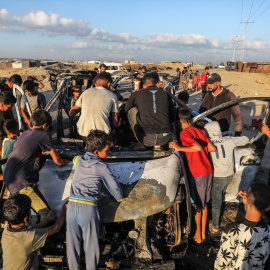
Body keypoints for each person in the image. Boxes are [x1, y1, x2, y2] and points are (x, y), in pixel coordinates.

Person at [66, 130, 123, 270]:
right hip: (88, 209)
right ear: (97, 152)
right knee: (91, 248)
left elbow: (74, 160)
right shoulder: (102, 167)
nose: (109, 152)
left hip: (72, 207)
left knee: (72, 246)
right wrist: (120, 198)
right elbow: (114, 188)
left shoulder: (79, 160)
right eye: (107, 150)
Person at [4, 110, 68, 221]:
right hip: (22, 185)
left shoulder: (25, 133)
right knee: (46, 214)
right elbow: (57, 161)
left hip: (9, 180)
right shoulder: (44, 135)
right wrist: (65, 162)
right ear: (45, 125)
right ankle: (44, 235)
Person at [169, 109, 216, 244]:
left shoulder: (184, 133)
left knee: (196, 205)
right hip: (207, 170)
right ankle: (202, 234)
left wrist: (179, 147)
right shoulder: (200, 131)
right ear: (190, 120)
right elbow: (212, 148)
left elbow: (197, 148)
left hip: (197, 173)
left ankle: (198, 235)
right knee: (204, 203)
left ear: (179, 122)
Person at [204, 121, 249, 233]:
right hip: (229, 175)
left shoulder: (207, 143)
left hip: (217, 177)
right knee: (221, 194)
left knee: (216, 202)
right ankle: (220, 210)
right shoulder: (228, 140)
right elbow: (246, 139)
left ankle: (215, 225)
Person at [2, 194, 67, 270]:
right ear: (26, 218)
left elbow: (30, 231)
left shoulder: (7, 229)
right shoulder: (29, 237)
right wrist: (64, 209)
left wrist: (47, 219)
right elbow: (55, 228)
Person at [214, 182, 270, 270]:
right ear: (268, 207)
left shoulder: (231, 231)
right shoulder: (268, 233)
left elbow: (220, 264)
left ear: (244, 200)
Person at [125, 72, 176, 150]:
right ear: (157, 82)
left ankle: (140, 143)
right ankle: (159, 146)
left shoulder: (137, 94)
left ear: (144, 83)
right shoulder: (165, 94)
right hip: (165, 137)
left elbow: (126, 109)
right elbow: (173, 116)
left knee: (131, 111)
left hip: (145, 138)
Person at [69, 72, 119, 140]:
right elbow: (115, 122)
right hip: (102, 134)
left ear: (95, 84)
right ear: (109, 84)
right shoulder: (112, 96)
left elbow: (71, 112)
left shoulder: (86, 92)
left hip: (83, 132)